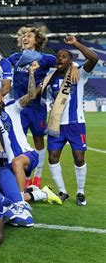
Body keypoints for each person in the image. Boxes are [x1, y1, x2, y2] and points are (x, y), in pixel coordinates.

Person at [0, 62, 62, 206]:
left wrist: (31, 74)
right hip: (8, 164)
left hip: (26, 156)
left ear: (1, 96)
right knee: (5, 196)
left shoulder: (12, 107)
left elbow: (30, 96)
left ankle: (21, 205)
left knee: (17, 163)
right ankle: (40, 193)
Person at [45, 36, 99, 206]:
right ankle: (62, 192)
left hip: (76, 124)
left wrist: (75, 43)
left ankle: (81, 192)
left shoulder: (79, 74)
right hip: (56, 125)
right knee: (53, 157)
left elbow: (94, 58)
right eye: (58, 56)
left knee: (78, 157)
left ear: (71, 61)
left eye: (64, 56)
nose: (59, 58)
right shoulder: (51, 78)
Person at [7, 26, 57, 187]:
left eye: (29, 36)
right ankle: (25, 176)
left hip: (37, 108)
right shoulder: (14, 58)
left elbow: (65, 62)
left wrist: (74, 69)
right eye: (23, 36)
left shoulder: (46, 58)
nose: (25, 38)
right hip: (20, 108)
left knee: (38, 140)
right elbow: (0, 67)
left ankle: (39, 175)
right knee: (19, 141)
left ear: (37, 40)